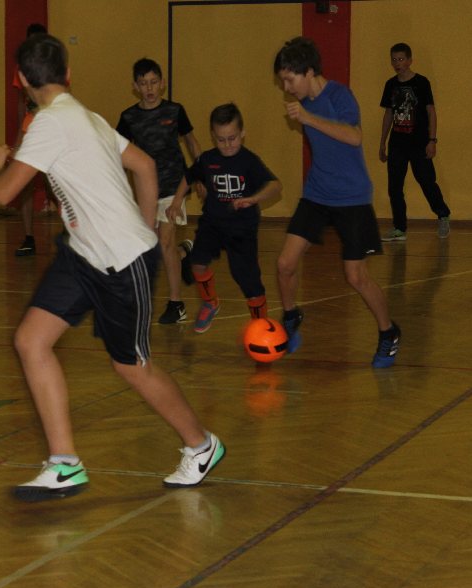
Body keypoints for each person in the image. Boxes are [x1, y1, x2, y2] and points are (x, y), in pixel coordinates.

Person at [0, 34, 225, 501]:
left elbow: (5, 192)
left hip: (120, 259)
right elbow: (145, 166)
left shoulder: (50, 123)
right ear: (68, 74)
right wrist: (146, 224)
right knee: (31, 340)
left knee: (132, 367)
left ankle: (201, 444)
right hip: (83, 253)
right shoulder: (86, 116)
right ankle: (65, 464)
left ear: (20, 80)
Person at [273, 37, 401, 368]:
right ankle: (291, 317)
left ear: (308, 72)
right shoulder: (303, 103)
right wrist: (305, 115)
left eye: (289, 80)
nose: (287, 88)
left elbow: (354, 136)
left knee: (355, 276)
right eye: (283, 81)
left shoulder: (339, 96)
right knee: (285, 264)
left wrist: (308, 118)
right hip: (317, 193)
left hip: (352, 197)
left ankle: (388, 331)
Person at [167, 103, 282, 334]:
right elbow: (189, 176)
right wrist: (177, 201)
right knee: (197, 263)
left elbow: (275, 186)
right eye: (221, 140)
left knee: (248, 280)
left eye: (232, 138)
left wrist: (253, 199)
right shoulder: (208, 159)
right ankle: (210, 302)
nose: (227, 145)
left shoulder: (249, 161)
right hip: (212, 224)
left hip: (242, 229)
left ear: (242, 133)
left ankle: (261, 326)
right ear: (213, 136)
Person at [116, 58, 201, 324]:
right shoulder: (128, 118)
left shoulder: (175, 111)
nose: (149, 88)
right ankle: (185, 254)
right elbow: (117, 154)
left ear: (162, 83)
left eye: (154, 82)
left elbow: (192, 143)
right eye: (143, 84)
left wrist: (202, 175)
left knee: (164, 242)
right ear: (135, 86)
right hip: (146, 191)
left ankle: (176, 304)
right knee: (154, 245)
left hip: (174, 186)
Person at [379, 42, 451, 241]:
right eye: (394, 60)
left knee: (426, 181)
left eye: (401, 59)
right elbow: (388, 114)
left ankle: (443, 215)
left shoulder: (421, 82)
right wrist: (382, 142)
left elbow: (431, 112)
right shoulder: (390, 85)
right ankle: (399, 228)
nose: (397, 63)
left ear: (410, 60)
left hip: (419, 143)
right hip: (397, 144)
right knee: (394, 187)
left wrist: (432, 140)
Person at [12, 22, 49, 257]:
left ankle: (71, 233)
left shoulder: (54, 67)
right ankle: (28, 237)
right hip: (30, 127)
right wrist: (19, 136)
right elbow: (21, 102)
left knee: (54, 182)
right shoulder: (21, 69)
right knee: (24, 182)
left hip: (49, 127)